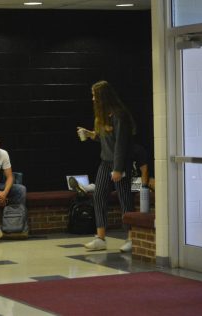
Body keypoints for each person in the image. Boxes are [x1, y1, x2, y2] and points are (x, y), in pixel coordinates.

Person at [77, 80, 136, 252]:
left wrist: (118, 169)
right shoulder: (103, 116)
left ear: (103, 97)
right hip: (105, 161)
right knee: (99, 195)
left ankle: (131, 238)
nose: (93, 99)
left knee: (125, 199)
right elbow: (105, 139)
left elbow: (120, 145)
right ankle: (100, 237)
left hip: (120, 163)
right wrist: (90, 134)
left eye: (95, 96)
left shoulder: (119, 115)